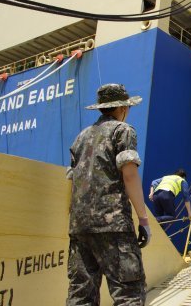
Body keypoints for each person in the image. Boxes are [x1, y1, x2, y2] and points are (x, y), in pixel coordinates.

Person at [66, 83, 150, 305]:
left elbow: (72, 182)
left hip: (79, 226)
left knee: (81, 294)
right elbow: (129, 175)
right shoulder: (123, 131)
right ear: (122, 108)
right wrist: (143, 219)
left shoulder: (80, 138)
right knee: (128, 292)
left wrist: (75, 220)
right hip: (113, 226)